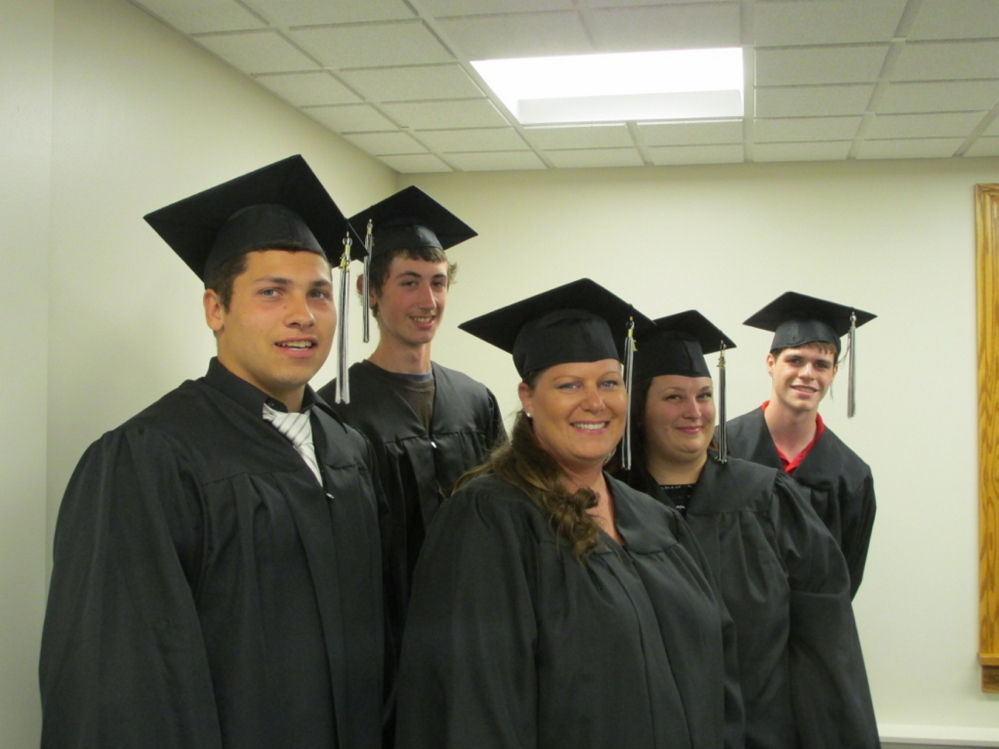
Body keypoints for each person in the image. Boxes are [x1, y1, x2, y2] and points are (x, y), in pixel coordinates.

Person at [39, 156, 385, 749]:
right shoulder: (149, 458)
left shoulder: (348, 448)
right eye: (271, 292)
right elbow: (120, 686)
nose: (302, 315)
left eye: (319, 293)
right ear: (215, 310)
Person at [395, 278, 743, 749]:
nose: (595, 402)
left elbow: (718, 670)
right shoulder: (490, 518)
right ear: (529, 398)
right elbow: (474, 702)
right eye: (569, 385)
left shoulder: (655, 518)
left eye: (608, 383)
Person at [619, 310, 879, 748]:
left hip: (759, 731)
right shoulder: (607, 503)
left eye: (704, 395)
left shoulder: (769, 497)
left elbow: (825, 639)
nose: (694, 411)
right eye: (672, 397)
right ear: (638, 408)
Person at [316, 185, 505, 658]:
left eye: (438, 282)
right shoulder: (333, 409)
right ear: (369, 291)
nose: (429, 299)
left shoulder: (475, 400)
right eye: (409, 282)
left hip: (477, 625)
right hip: (380, 637)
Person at [725, 291, 877, 598]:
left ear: (834, 373)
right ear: (771, 363)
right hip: (728, 633)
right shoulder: (721, 448)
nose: (807, 374)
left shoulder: (851, 475)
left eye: (821, 364)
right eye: (795, 360)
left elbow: (846, 580)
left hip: (812, 634)